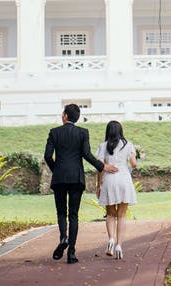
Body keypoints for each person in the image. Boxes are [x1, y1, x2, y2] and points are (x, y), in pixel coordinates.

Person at [44, 103, 118, 264]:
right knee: (74, 215)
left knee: (61, 212)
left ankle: (63, 237)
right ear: (76, 118)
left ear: (64, 116)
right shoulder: (82, 133)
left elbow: (48, 156)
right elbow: (86, 154)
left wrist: (56, 170)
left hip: (59, 178)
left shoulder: (54, 132)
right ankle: (71, 253)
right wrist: (102, 166)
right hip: (76, 178)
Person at [96, 120, 138, 260]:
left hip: (109, 180)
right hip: (124, 179)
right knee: (121, 215)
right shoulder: (128, 145)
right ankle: (119, 245)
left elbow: (100, 167)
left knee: (110, 214)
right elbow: (134, 164)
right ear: (121, 131)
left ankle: (111, 240)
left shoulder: (103, 146)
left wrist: (98, 185)